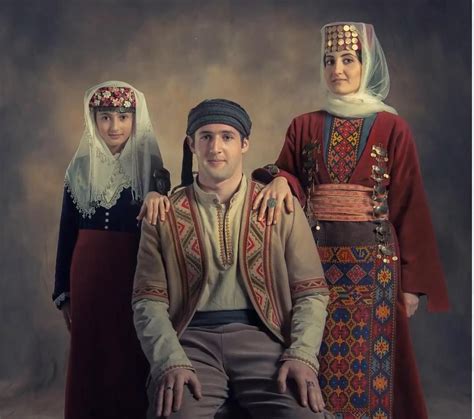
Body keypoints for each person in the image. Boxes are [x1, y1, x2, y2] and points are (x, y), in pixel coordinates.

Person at [252, 22, 450, 419]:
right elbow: (288, 172)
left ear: (367, 65)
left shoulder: (394, 127)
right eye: (329, 61)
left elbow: (409, 202)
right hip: (314, 259)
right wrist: (279, 180)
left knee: (368, 357)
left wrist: (411, 285)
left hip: (374, 267)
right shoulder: (304, 124)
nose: (337, 70)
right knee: (314, 350)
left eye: (347, 60)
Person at [132, 98, 335, 419]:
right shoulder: (163, 212)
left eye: (227, 136)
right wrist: (169, 359)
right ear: (191, 145)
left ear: (244, 144)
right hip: (191, 343)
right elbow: (148, 302)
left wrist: (301, 354)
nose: (216, 147)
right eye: (206, 137)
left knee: (305, 416)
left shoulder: (279, 206)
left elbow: (311, 292)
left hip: (264, 339)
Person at [52, 80, 171, 419]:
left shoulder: (153, 169)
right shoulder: (78, 169)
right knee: (90, 350)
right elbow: (66, 231)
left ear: (136, 119)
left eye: (123, 116)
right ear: (93, 120)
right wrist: (64, 291)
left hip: (134, 269)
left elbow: (166, 229)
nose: (114, 126)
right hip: (87, 272)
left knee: (130, 349)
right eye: (105, 117)